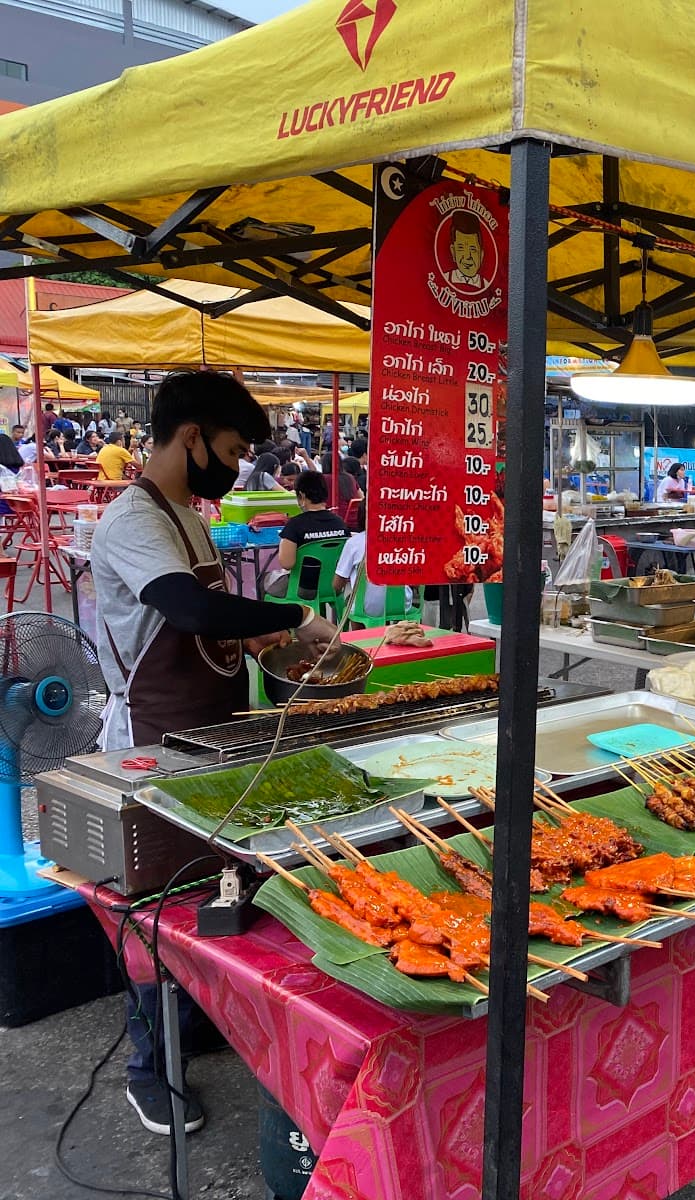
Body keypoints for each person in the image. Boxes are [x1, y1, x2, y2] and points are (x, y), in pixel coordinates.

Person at [91, 370, 338, 1134]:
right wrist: (295, 615)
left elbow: (217, 623)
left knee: (218, 890)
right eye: (232, 450)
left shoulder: (194, 519)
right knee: (155, 909)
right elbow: (190, 608)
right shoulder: (132, 519)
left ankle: (196, 1021)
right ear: (191, 435)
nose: (236, 467)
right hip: (155, 740)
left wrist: (262, 634)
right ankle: (148, 1068)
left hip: (218, 727)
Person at [264, 470, 349, 599]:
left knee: (264, 580)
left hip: (302, 590)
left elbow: (286, 563)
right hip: (333, 587)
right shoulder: (340, 523)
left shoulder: (295, 525)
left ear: (302, 496)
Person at [334, 506, 416, 619]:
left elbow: (337, 585)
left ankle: (359, 635)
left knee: (354, 603)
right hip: (401, 605)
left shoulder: (353, 543)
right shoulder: (403, 539)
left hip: (365, 608)